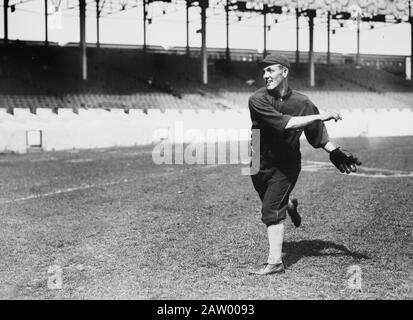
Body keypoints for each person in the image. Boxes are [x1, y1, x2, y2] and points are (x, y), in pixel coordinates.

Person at [248, 54, 361, 275]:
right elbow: (287, 123)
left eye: (270, 70)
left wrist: (334, 151)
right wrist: (321, 115)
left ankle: (275, 263)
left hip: (286, 163)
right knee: (273, 203)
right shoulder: (256, 99)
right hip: (255, 160)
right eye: (263, 72)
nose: (265, 75)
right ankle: (289, 204)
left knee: (271, 209)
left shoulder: (302, 102)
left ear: (285, 72)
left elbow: (317, 135)